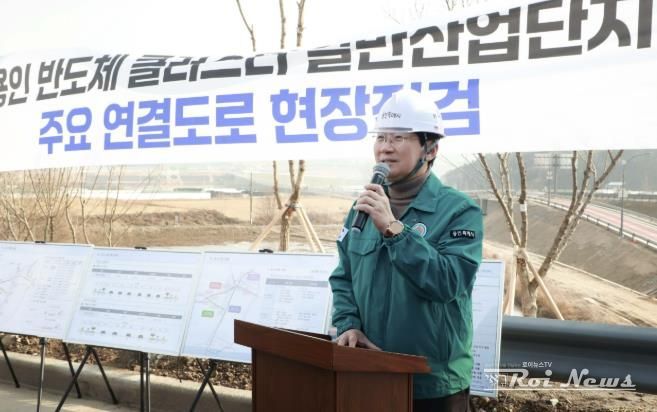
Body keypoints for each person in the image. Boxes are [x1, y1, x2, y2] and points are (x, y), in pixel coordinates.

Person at [329, 89, 483, 412]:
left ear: (430, 149)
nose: (385, 147)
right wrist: (348, 324)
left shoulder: (459, 210)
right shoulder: (362, 208)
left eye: (399, 138)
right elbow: (343, 277)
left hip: (432, 383)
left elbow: (448, 282)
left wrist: (394, 230)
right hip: (369, 372)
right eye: (381, 137)